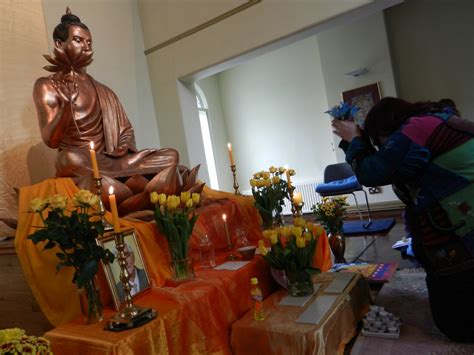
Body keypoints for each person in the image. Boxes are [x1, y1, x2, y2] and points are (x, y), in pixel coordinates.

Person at [332, 97, 474, 342]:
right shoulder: (426, 125)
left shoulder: (416, 128)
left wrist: (355, 140)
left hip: (464, 232)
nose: (382, 147)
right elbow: (387, 168)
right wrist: (354, 141)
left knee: (456, 326)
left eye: (379, 141)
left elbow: (373, 171)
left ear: (388, 127)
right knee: (448, 313)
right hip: (457, 226)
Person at [33, 9, 179, 179]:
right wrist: (65, 108)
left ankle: (120, 181)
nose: (86, 47)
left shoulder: (104, 91)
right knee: (68, 160)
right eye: (78, 40)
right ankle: (130, 182)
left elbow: (126, 131)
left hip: (113, 160)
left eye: (89, 42)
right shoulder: (48, 85)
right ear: (59, 44)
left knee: (171, 156)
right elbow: (51, 140)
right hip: (82, 160)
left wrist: (123, 147)